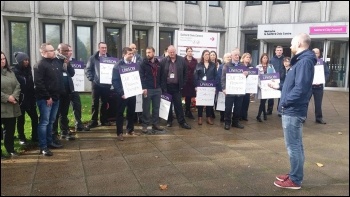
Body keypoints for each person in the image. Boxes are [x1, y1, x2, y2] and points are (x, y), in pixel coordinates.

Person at [269, 33, 316, 189]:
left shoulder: (303, 62)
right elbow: (294, 83)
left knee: (293, 146)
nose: (290, 47)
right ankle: (295, 174)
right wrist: (280, 87)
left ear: (300, 44)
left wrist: (286, 102)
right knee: (296, 145)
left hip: (293, 110)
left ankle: (295, 180)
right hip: (294, 109)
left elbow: (301, 88)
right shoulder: (302, 61)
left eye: (292, 43)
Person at [34, 43, 64, 156]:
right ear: (43, 52)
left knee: (51, 121)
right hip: (45, 99)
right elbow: (39, 83)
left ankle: (50, 141)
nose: (54, 52)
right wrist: (47, 97)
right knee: (44, 122)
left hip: (56, 97)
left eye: (53, 50)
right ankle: (43, 146)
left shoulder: (56, 62)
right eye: (51, 50)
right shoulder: (39, 65)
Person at [160, 45, 191, 129]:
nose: (172, 53)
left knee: (178, 105)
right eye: (170, 52)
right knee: (168, 105)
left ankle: (182, 122)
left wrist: (183, 83)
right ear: (168, 52)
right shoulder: (163, 61)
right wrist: (162, 86)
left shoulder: (181, 60)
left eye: (173, 52)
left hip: (177, 87)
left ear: (175, 51)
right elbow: (161, 74)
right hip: (167, 87)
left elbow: (186, 73)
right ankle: (169, 121)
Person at [112, 47, 138, 141]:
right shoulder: (117, 65)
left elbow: (137, 79)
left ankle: (130, 130)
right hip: (122, 94)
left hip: (132, 92)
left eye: (132, 54)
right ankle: (119, 133)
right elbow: (115, 81)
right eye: (129, 54)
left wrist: (138, 89)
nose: (131, 55)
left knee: (131, 112)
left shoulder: (134, 65)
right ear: (124, 54)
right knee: (120, 113)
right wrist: (121, 93)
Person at [12, 52, 39, 144]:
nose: (27, 62)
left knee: (35, 118)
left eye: (27, 60)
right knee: (21, 119)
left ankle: (35, 136)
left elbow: (31, 85)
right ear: (20, 61)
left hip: (30, 99)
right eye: (25, 60)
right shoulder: (15, 72)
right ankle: (21, 137)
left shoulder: (28, 71)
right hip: (21, 100)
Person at [52, 43, 76, 141]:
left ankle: (64, 132)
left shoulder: (66, 61)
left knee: (64, 113)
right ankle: (54, 134)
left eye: (67, 51)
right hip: (57, 91)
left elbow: (72, 73)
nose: (66, 53)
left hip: (67, 90)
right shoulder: (54, 60)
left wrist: (68, 64)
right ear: (58, 50)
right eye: (64, 51)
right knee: (55, 114)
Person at [85, 42, 112, 129]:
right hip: (96, 84)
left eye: (105, 48)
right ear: (99, 48)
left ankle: (104, 120)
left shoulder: (110, 59)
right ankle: (94, 121)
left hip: (106, 84)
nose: (104, 49)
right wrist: (91, 79)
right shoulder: (93, 58)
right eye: (102, 48)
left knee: (105, 103)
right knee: (94, 103)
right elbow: (88, 69)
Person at [1, 51, 21, 157]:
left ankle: (10, 149)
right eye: (0, 59)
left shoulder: (10, 72)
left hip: (11, 106)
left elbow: (17, 85)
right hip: (2, 105)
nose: (2, 61)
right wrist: (7, 98)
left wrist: (14, 96)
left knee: (10, 130)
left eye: (4, 59)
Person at [139, 47, 164, 134]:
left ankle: (155, 124)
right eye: (146, 53)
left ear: (153, 53)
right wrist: (144, 87)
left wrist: (160, 87)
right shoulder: (143, 63)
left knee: (156, 108)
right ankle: (145, 125)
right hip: (147, 89)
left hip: (157, 89)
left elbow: (161, 76)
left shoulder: (158, 63)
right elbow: (141, 77)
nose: (148, 54)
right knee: (146, 108)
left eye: (149, 52)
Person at [221, 48, 246, 130]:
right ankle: (227, 123)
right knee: (228, 108)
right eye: (235, 55)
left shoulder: (242, 66)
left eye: (238, 55)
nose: (237, 56)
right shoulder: (226, 65)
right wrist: (224, 88)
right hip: (230, 91)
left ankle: (235, 122)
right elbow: (223, 78)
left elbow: (246, 78)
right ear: (231, 56)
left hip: (239, 91)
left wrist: (247, 74)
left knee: (238, 107)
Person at [67, 45, 90, 131]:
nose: (70, 52)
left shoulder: (74, 62)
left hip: (75, 88)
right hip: (65, 89)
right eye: (68, 50)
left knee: (77, 106)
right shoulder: (60, 62)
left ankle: (78, 124)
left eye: (71, 50)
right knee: (64, 109)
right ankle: (65, 128)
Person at [194, 50, 217, 125]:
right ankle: (200, 118)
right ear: (203, 55)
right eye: (206, 54)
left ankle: (208, 117)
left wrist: (215, 86)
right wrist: (196, 86)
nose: (207, 56)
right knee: (201, 102)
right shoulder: (199, 65)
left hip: (210, 86)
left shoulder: (213, 65)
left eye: (208, 54)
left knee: (209, 102)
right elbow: (195, 76)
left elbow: (215, 76)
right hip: (201, 86)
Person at [311, 48, 330, 124]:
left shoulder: (323, 63)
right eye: (314, 53)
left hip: (319, 87)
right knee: (304, 102)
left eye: (317, 53)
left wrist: (321, 80)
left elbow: (327, 73)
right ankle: (303, 117)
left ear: (319, 54)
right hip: (309, 86)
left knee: (318, 103)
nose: (315, 54)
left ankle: (319, 118)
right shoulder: (308, 62)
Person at [255, 53, 276, 122]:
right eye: (264, 58)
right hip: (261, 86)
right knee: (262, 101)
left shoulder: (270, 66)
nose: (265, 59)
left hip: (268, 86)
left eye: (266, 58)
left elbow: (274, 75)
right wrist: (259, 85)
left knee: (263, 101)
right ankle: (259, 115)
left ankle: (263, 115)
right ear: (261, 59)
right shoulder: (258, 67)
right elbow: (256, 77)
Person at [268, 46, 284, 115]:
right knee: (271, 96)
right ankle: (269, 110)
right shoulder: (271, 60)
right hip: (273, 79)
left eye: (280, 50)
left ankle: (279, 110)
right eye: (277, 50)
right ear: (275, 51)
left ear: (282, 51)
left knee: (281, 96)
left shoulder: (285, 60)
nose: (279, 51)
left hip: (282, 79)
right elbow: (269, 69)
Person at [182, 47, 197, 119]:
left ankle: (188, 111)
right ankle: (186, 111)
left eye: (191, 51)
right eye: (188, 51)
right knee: (186, 96)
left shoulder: (195, 61)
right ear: (186, 52)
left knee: (190, 96)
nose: (190, 52)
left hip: (192, 81)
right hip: (185, 81)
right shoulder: (183, 60)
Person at [216, 53, 231, 122]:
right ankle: (222, 117)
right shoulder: (221, 66)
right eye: (227, 57)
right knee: (222, 103)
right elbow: (219, 77)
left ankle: (228, 116)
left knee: (229, 104)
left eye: (230, 57)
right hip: (222, 88)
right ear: (224, 58)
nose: (229, 58)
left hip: (231, 87)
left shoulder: (232, 66)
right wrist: (222, 88)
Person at [240, 53, 254, 121]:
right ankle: (239, 116)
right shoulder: (240, 65)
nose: (248, 58)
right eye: (246, 57)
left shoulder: (251, 66)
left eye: (249, 57)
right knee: (240, 101)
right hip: (241, 86)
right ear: (243, 58)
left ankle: (244, 115)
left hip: (248, 86)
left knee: (246, 101)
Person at [209, 50, 220, 119]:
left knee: (217, 97)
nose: (213, 56)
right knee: (211, 98)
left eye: (214, 55)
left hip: (218, 83)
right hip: (211, 83)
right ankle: (211, 112)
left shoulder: (219, 63)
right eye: (211, 55)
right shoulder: (208, 64)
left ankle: (217, 108)